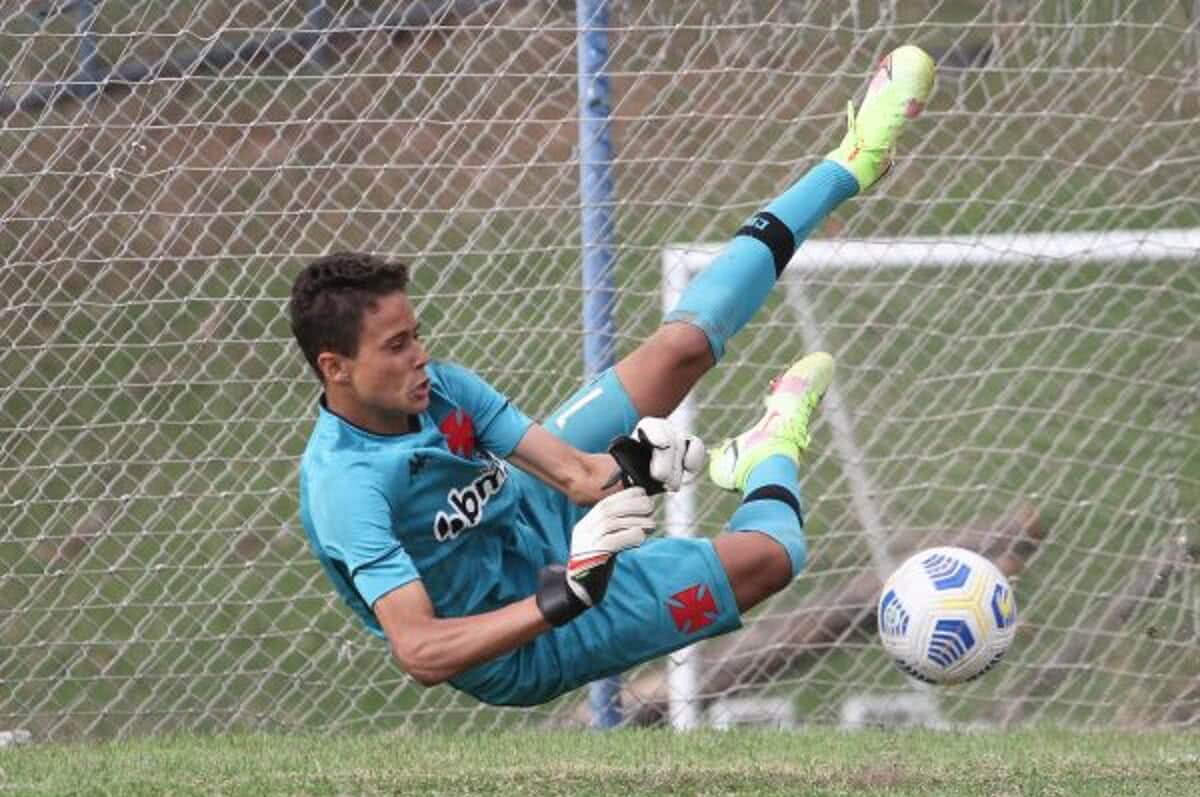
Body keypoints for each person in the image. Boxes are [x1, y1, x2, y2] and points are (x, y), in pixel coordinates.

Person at [289, 46, 936, 706]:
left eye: (417, 335)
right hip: (529, 642)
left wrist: (637, 468)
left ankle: (849, 164)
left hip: (529, 507)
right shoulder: (348, 488)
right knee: (774, 558)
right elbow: (421, 651)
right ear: (334, 368)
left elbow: (577, 477)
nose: (420, 355)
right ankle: (769, 456)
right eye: (397, 346)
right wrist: (564, 595)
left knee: (681, 348)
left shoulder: (442, 390)